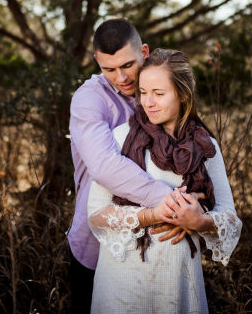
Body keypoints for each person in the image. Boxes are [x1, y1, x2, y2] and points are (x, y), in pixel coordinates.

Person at [87, 49, 242, 313]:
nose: (148, 102)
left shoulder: (206, 146)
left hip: (176, 283)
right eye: (143, 92)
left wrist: (199, 221)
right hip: (122, 284)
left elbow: (231, 219)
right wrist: (152, 214)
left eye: (158, 94)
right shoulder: (119, 139)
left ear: (182, 94)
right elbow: (96, 214)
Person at [68, 19, 187, 313]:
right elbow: (106, 166)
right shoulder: (88, 100)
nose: (121, 77)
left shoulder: (159, 91)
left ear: (144, 52)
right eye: (109, 69)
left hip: (159, 247)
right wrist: (172, 202)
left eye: (127, 65)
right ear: (97, 61)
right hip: (96, 245)